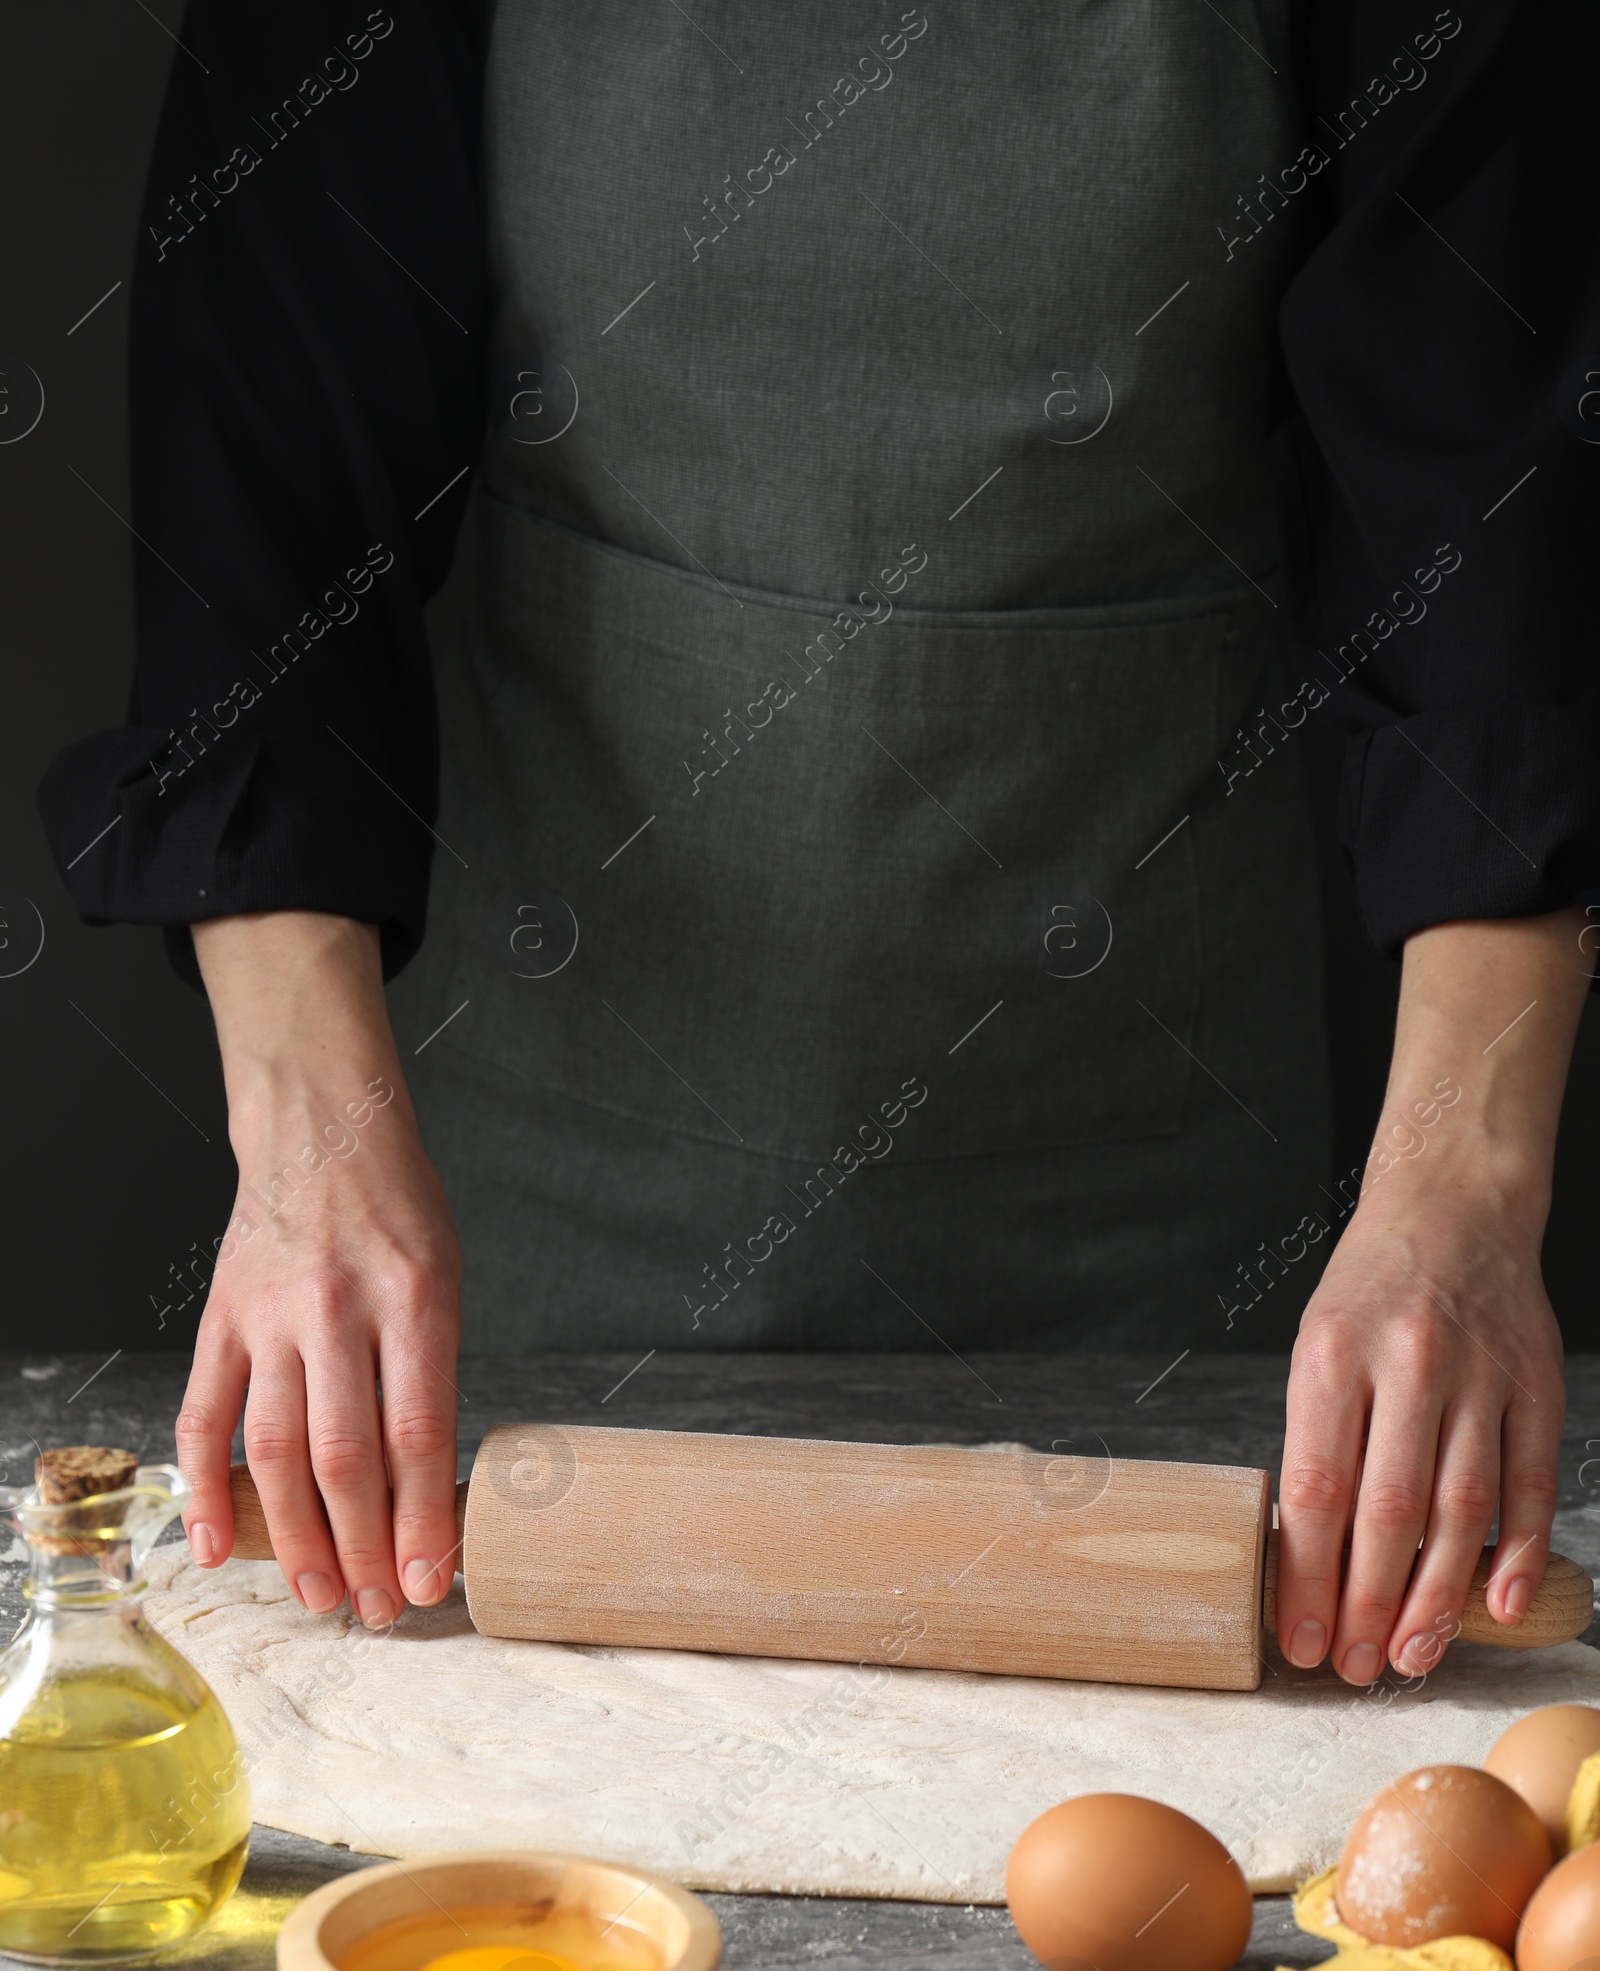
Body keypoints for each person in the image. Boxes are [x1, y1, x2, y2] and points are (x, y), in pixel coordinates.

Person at [40, 2, 1598, 1683]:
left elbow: (1502, 534)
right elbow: (258, 538)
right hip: (534, 1239)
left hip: (1162, 1231)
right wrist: (304, 1152)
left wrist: (1464, 1190)